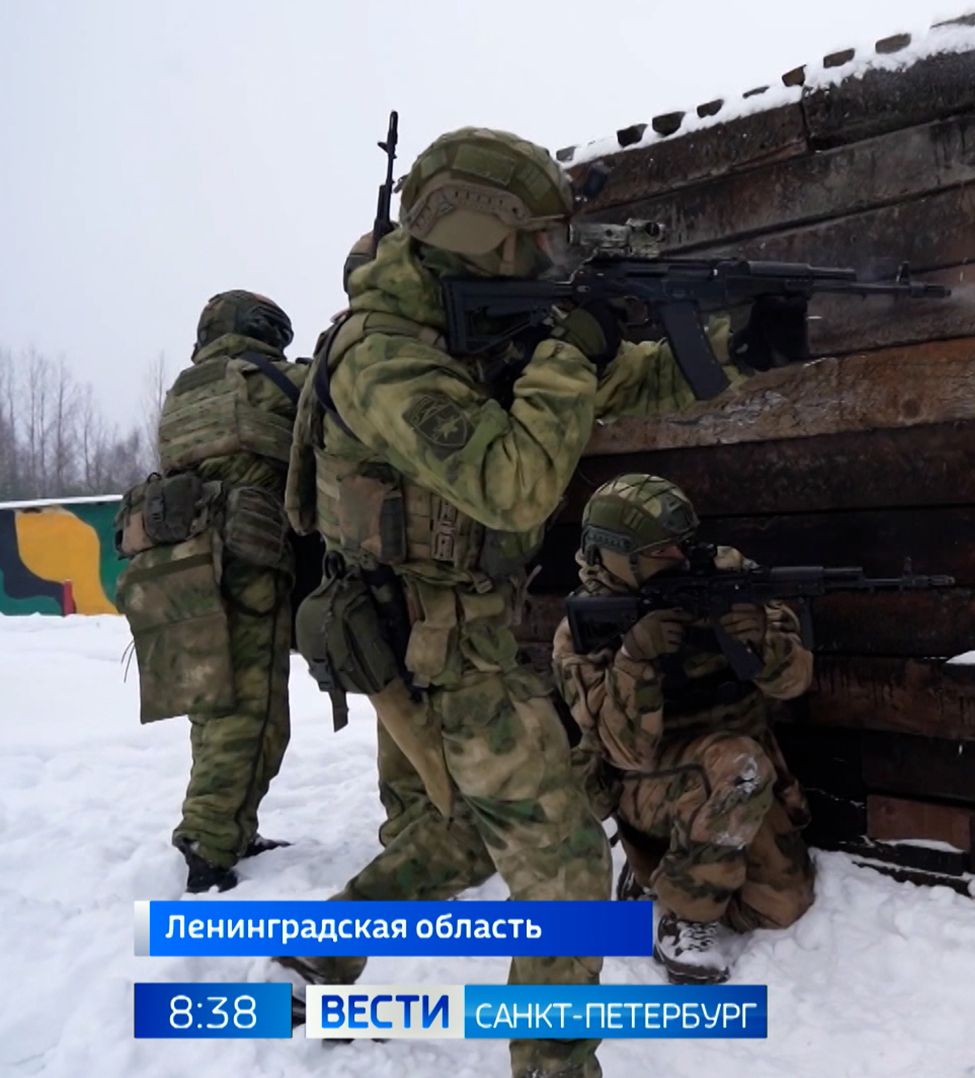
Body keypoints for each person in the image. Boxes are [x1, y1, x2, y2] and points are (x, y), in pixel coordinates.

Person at [275, 127, 801, 1078]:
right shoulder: (381, 356)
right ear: (478, 232)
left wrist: (738, 346)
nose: (554, 252)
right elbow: (512, 481)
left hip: (460, 641)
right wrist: (575, 340)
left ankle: (330, 944)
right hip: (431, 650)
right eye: (538, 235)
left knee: (482, 826)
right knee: (563, 868)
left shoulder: (474, 329)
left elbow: (618, 379)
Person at [551, 474, 816, 985]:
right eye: (660, 549)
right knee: (740, 764)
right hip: (648, 781)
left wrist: (762, 638)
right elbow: (623, 750)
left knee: (784, 906)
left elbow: (794, 683)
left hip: (735, 782)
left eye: (682, 542)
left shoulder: (730, 577)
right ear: (614, 555)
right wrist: (635, 657)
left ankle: (669, 872)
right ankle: (684, 920)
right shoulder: (582, 630)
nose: (679, 555)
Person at [117, 291, 306, 893]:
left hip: (187, 562)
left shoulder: (184, 390)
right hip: (247, 559)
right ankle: (211, 844)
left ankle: (223, 826)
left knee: (212, 705)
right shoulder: (278, 379)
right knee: (253, 716)